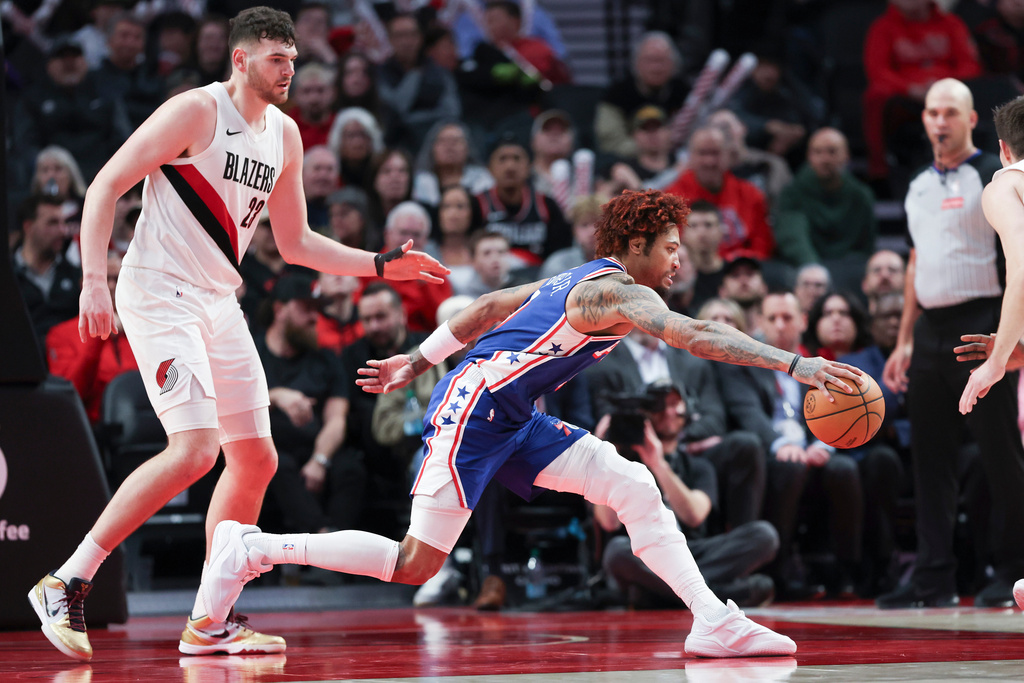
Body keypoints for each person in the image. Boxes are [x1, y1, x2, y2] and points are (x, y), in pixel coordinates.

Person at [197, 188, 865, 659]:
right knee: (413, 563)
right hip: (476, 411)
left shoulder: (580, 276)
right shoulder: (618, 292)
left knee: (631, 481)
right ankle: (252, 550)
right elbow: (692, 332)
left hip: (515, 415)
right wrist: (795, 362)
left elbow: (488, 304)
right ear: (635, 246)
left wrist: (414, 358)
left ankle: (713, 619)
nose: (678, 260)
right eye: (670, 246)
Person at [29, 6, 448, 663]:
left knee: (255, 457)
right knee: (197, 449)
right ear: (241, 59)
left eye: (293, 59)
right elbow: (106, 184)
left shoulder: (284, 134)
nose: (289, 70)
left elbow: (296, 242)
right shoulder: (195, 112)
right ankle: (68, 578)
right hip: (158, 292)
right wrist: (91, 280)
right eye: (277, 58)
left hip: (219, 299)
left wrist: (379, 264)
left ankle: (208, 619)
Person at [878, 78, 1024, 609]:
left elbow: (1017, 262)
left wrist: (1013, 341)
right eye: (931, 112)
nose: (939, 121)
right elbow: (917, 261)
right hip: (929, 330)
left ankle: (1012, 572)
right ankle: (933, 578)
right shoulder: (916, 183)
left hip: (983, 321)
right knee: (929, 458)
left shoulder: (997, 176)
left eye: (950, 113)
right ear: (924, 120)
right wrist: (902, 341)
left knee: (999, 455)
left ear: (969, 121)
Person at [598, 380, 778, 609]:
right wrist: (604, 453)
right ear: (644, 413)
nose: (669, 412)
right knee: (617, 551)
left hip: (692, 553)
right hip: (648, 553)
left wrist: (658, 464)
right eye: (659, 405)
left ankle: (664, 595)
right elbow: (608, 522)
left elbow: (694, 516)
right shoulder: (624, 467)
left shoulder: (699, 467)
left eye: (675, 404)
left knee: (764, 535)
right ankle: (714, 595)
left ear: (687, 411)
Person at [774, 128, 878, 294]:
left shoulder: (861, 195)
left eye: (832, 152)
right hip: (808, 266)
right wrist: (814, 268)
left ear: (846, 156)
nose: (825, 159)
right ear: (809, 157)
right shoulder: (793, 193)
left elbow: (867, 244)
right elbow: (792, 236)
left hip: (849, 267)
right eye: (818, 152)